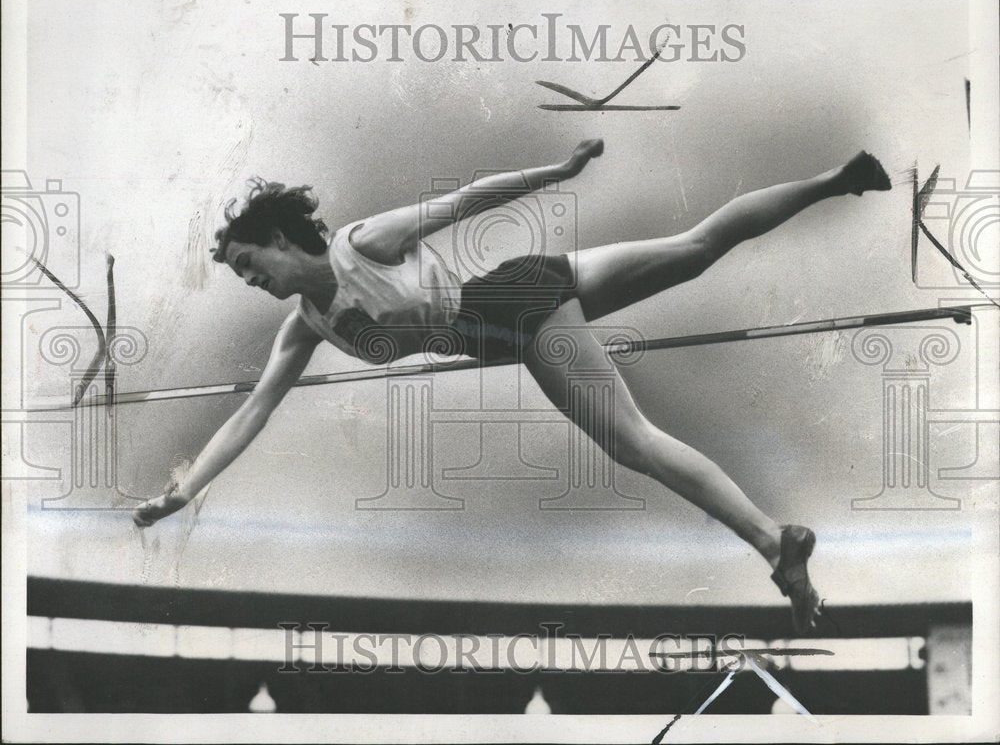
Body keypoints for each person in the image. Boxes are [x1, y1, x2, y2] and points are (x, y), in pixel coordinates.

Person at [133, 139, 891, 634]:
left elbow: (464, 200)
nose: (248, 280)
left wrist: (557, 175)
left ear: (275, 239)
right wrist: (184, 489)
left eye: (245, 263)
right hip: (524, 293)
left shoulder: (362, 245)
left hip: (515, 316)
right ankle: (839, 179)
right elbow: (251, 415)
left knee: (636, 443)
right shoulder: (304, 327)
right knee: (694, 252)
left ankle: (773, 541)